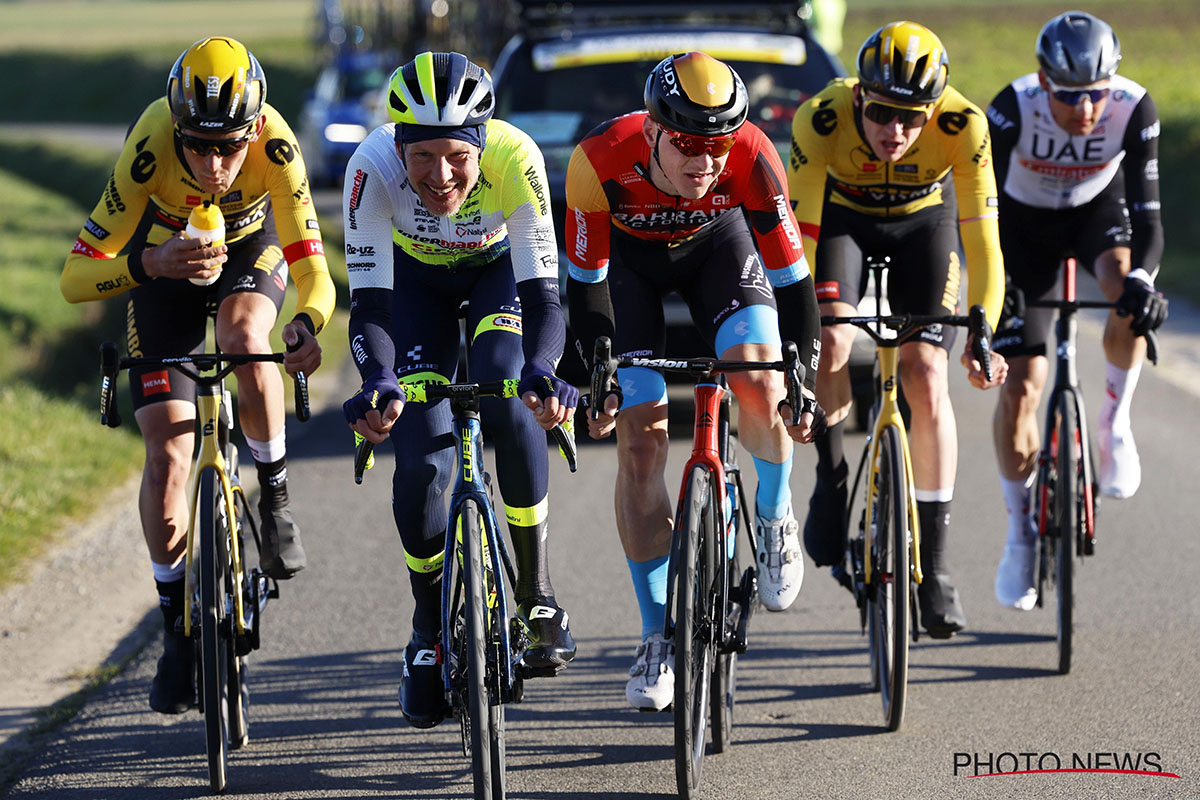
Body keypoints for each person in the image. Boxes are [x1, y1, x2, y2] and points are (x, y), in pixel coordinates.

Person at [60, 37, 336, 713]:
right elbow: (74, 277)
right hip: (164, 265)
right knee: (168, 454)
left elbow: (313, 269)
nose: (214, 166)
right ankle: (174, 629)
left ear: (254, 130)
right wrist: (147, 266)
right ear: (176, 130)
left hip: (250, 252)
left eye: (229, 148)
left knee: (244, 336)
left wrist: (308, 325)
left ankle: (274, 501)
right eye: (199, 147)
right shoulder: (150, 145)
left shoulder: (277, 147)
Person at [566, 51, 824, 712]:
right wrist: (599, 372)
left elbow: (794, 282)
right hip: (629, 271)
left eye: (718, 145)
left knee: (759, 381)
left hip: (719, 250)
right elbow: (586, 286)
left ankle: (774, 513)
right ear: (653, 130)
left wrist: (801, 375)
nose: (706, 162)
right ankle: (656, 634)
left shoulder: (754, 156)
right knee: (640, 445)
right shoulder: (598, 160)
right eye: (687, 144)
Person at [340, 52, 579, 728]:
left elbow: (546, 296)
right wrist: (379, 380)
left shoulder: (515, 157)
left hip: (497, 276)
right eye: (422, 156)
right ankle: (426, 629)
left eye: (456, 157)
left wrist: (543, 367)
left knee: (510, 394)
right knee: (421, 461)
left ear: (481, 145)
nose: (439, 176)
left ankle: (536, 592)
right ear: (398, 146)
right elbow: (371, 308)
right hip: (413, 287)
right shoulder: (369, 169)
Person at [786, 21, 1008, 639]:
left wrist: (984, 329)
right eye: (882, 113)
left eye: (912, 118)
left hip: (924, 226)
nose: (896, 131)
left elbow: (983, 243)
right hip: (842, 223)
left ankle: (935, 566)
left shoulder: (964, 126)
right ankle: (831, 478)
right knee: (833, 339)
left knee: (927, 370)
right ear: (859, 96)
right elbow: (800, 241)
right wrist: (802, 327)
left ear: (934, 111)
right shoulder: (821, 118)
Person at [988, 11, 1167, 610]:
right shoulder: (1012, 108)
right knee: (1022, 385)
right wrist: (996, 289)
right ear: (1044, 82)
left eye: (1096, 94)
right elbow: (981, 212)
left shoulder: (1134, 107)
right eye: (1069, 96)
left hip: (1096, 213)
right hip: (1021, 229)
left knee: (1127, 290)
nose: (1086, 109)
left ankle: (1113, 423)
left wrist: (1142, 282)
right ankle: (1019, 534)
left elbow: (1149, 219)